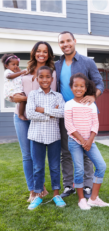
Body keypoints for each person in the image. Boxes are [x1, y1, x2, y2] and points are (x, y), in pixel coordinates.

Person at [55, 31, 104, 198]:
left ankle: (88, 185)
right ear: (59, 45)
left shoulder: (87, 62)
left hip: (85, 113)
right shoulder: (57, 65)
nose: (65, 44)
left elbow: (99, 83)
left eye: (68, 40)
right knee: (66, 151)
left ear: (74, 41)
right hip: (66, 114)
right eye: (62, 42)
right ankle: (69, 186)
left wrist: (93, 96)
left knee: (86, 150)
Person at [11, 41, 56, 202]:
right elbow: (13, 92)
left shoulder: (52, 73)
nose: (41, 54)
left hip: (38, 119)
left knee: (38, 155)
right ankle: (33, 189)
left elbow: (50, 98)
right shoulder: (24, 71)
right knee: (26, 155)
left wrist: (25, 98)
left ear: (49, 54)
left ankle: (40, 185)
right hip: (21, 117)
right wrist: (13, 96)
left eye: (45, 51)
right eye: (38, 51)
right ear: (34, 53)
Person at [65, 73, 109, 210]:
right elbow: (69, 126)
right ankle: (81, 199)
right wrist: (83, 141)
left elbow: (95, 124)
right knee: (79, 170)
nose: (78, 88)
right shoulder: (68, 105)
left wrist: (89, 141)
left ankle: (93, 198)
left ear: (86, 88)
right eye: (75, 86)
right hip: (75, 141)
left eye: (81, 86)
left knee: (101, 166)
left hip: (90, 141)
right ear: (71, 87)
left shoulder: (92, 105)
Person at [26, 66, 66, 210]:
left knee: (55, 166)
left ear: (52, 79)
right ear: (37, 79)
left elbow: (62, 113)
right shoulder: (32, 95)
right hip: (36, 136)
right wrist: (51, 113)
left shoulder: (58, 96)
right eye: (41, 77)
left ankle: (56, 194)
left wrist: (42, 110)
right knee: (38, 167)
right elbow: (30, 113)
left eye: (47, 77)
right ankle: (37, 195)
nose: (44, 79)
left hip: (54, 136)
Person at [2, 54, 28, 120]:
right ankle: (20, 114)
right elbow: (9, 76)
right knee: (23, 98)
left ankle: (23, 113)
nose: (16, 66)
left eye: (17, 65)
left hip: (17, 91)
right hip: (11, 92)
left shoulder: (17, 73)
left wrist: (21, 72)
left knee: (23, 98)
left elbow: (22, 77)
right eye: (13, 64)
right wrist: (20, 72)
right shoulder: (8, 71)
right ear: (7, 66)